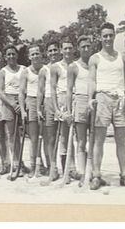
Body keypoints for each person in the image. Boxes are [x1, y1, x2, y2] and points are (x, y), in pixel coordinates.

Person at [88, 22, 125, 189]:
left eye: (110, 35)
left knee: (121, 141)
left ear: (115, 35)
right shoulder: (95, 58)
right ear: (100, 38)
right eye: (105, 36)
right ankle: (96, 175)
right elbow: (92, 80)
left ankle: (124, 176)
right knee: (99, 140)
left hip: (120, 101)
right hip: (102, 99)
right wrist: (90, 98)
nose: (108, 38)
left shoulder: (122, 57)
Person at [50, 37, 78, 183]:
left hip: (76, 100)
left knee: (77, 137)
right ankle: (65, 171)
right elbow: (53, 90)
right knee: (64, 138)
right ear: (61, 50)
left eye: (70, 48)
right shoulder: (55, 67)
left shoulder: (77, 65)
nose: (67, 51)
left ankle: (73, 169)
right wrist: (56, 109)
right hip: (62, 100)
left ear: (74, 49)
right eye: (65, 48)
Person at [0, 44, 29, 178]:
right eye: (8, 54)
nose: (11, 56)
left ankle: (28, 163)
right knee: (12, 135)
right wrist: (12, 104)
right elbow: (0, 92)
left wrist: (22, 103)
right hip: (8, 102)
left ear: (17, 55)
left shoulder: (24, 69)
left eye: (13, 54)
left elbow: (29, 86)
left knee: (28, 133)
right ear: (5, 57)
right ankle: (16, 163)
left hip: (24, 99)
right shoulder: (3, 71)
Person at [67, 35, 93, 184]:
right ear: (78, 48)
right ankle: (82, 173)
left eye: (88, 46)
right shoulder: (73, 66)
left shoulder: (95, 64)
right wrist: (69, 111)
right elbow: (69, 90)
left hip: (94, 102)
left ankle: (93, 172)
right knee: (81, 141)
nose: (86, 49)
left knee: (95, 140)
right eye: (83, 46)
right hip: (81, 102)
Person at [19, 44, 46, 178]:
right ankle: (33, 167)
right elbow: (21, 93)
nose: (35, 56)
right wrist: (23, 110)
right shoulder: (26, 72)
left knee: (45, 137)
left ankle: (43, 166)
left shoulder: (46, 69)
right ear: (29, 57)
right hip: (31, 102)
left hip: (45, 102)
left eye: (37, 53)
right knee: (34, 138)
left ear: (41, 54)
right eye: (33, 54)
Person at [37, 40, 60, 181]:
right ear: (47, 53)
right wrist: (39, 107)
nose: (53, 53)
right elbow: (40, 91)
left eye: (55, 50)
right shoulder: (44, 70)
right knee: (50, 138)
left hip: (62, 102)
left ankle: (71, 168)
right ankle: (53, 167)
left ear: (59, 51)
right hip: (49, 103)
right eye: (50, 51)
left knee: (64, 138)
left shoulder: (66, 66)